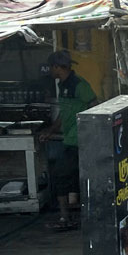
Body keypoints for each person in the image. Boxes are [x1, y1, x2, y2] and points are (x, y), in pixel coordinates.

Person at [39, 50, 97, 232]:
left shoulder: (79, 85)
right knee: (70, 176)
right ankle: (72, 213)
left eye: (51, 67)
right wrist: (51, 130)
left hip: (80, 140)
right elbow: (64, 114)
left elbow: (95, 106)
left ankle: (65, 216)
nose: (50, 70)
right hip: (70, 139)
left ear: (57, 67)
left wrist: (88, 131)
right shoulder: (63, 85)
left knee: (60, 174)